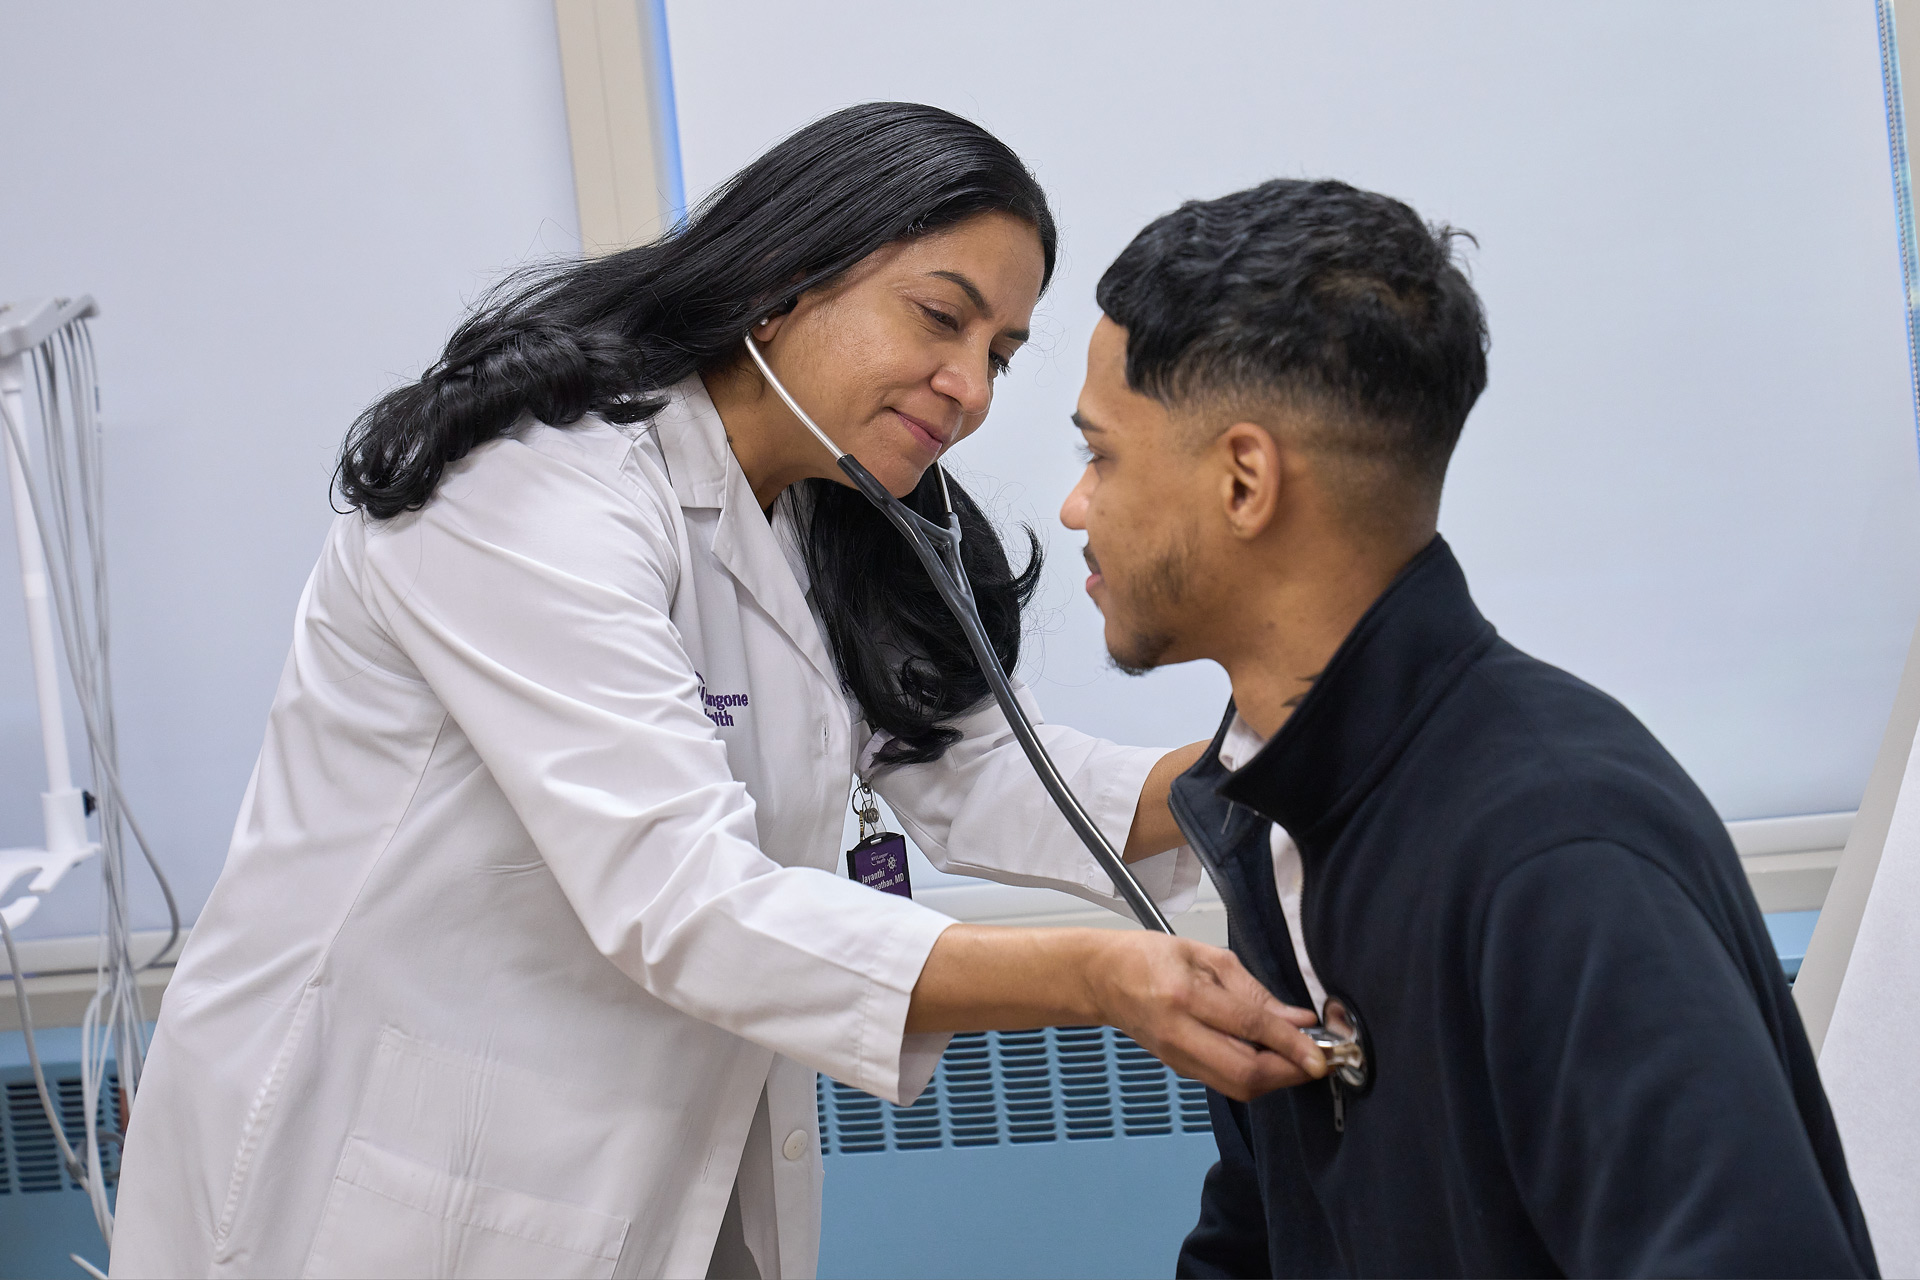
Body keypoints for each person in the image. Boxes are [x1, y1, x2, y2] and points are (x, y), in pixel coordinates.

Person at [107, 105, 1328, 1280]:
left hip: (637, 1158)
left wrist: (1285, 757)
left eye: (998, 355)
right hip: (374, 1171)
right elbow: (679, 897)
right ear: (784, 278)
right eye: (939, 318)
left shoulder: (824, 514)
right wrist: (1097, 978)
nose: (969, 386)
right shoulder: (534, 491)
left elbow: (984, 774)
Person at [1059, 177, 1878, 1277]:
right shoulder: (1272, 809)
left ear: (1244, 480)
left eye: (1100, 455)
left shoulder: (1562, 850)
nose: (1076, 506)